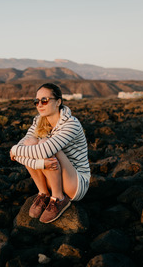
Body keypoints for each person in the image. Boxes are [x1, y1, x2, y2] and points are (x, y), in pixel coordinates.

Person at [10, 83, 90, 223]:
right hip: (53, 175)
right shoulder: (38, 121)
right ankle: (44, 193)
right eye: (36, 101)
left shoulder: (71, 124)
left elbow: (43, 150)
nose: (39, 104)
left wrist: (14, 150)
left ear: (58, 102)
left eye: (44, 100)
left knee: (44, 144)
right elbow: (24, 144)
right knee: (30, 143)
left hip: (75, 183)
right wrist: (40, 163)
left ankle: (58, 198)